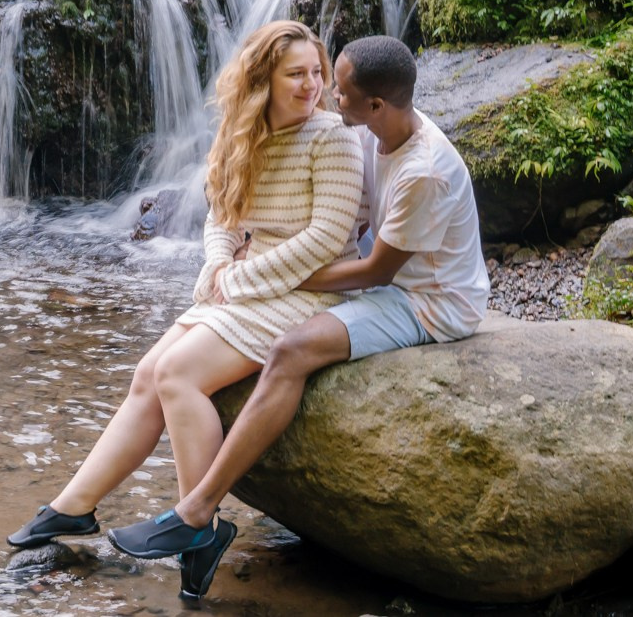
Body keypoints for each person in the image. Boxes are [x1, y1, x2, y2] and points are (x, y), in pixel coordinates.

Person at [104, 33, 490, 602]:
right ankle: (196, 519)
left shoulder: (423, 170)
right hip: (395, 282)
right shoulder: (377, 133)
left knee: (291, 352)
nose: (328, 95)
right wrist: (257, 254)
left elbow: (376, 270)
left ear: (375, 105)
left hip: (430, 302)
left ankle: (197, 511)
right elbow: (354, 224)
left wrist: (280, 275)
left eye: (341, 90)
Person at [5, 20, 365, 604]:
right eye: (295, 75)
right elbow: (222, 214)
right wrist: (218, 264)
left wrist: (238, 278)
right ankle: (75, 507)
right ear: (262, 81)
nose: (312, 86)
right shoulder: (241, 132)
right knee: (148, 373)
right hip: (250, 284)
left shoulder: (332, 138)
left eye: (316, 73)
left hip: (309, 291)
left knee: (177, 374)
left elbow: (327, 237)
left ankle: (198, 523)